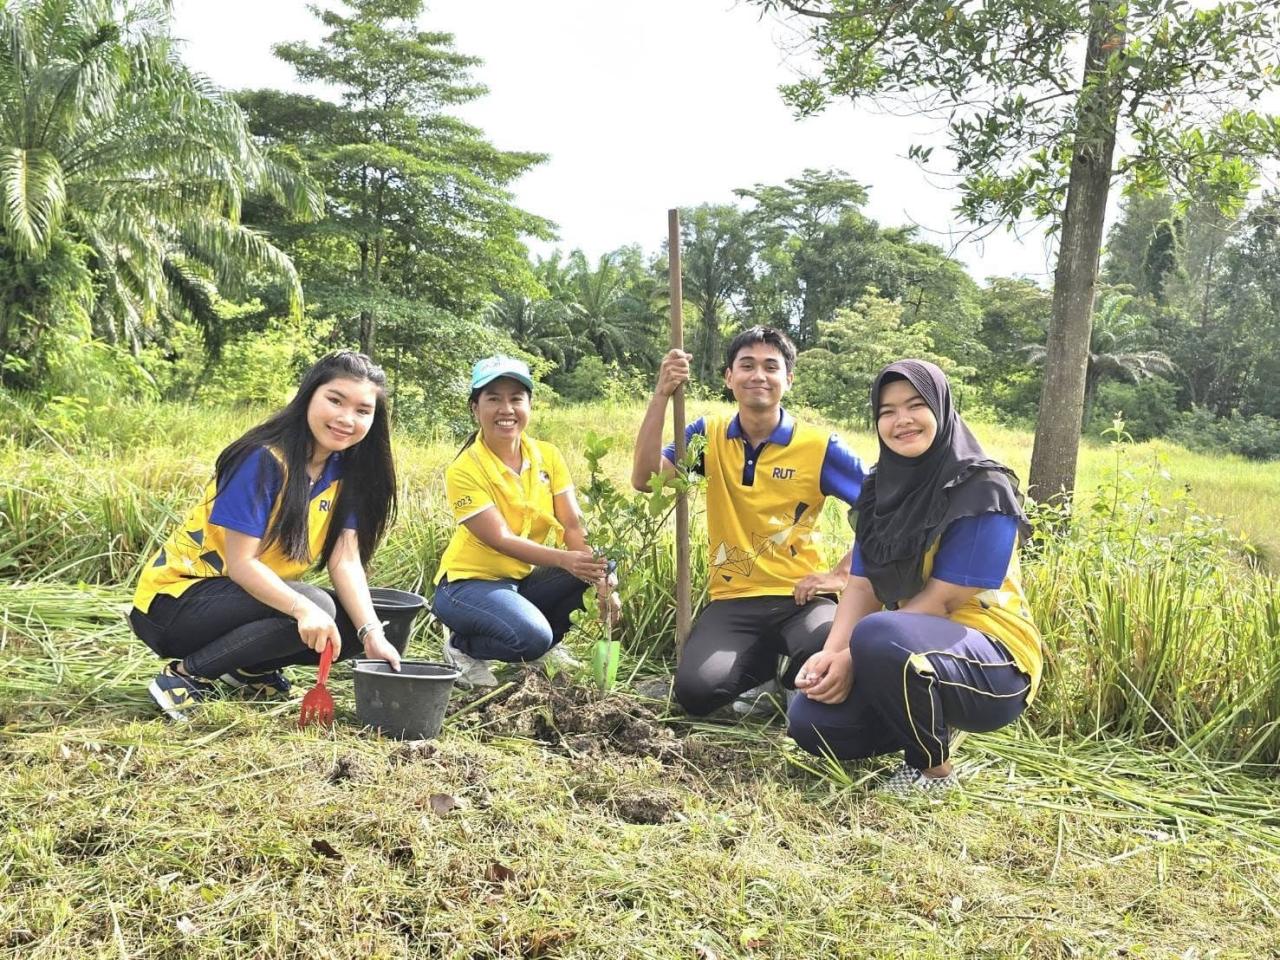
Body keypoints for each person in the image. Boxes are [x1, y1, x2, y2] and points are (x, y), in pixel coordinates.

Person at [788, 359, 1042, 793]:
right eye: (886, 411)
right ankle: (928, 721)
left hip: (993, 664)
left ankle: (933, 771)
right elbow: (863, 585)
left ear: (941, 408)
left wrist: (853, 654)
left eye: (915, 404)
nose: (901, 420)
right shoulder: (878, 491)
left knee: (877, 634)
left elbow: (943, 602)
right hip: (907, 651)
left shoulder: (983, 487)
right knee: (811, 722)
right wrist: (832, 655)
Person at [129, 350, 401, 721]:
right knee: (315, 606)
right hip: (174, 604)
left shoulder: (346, 472)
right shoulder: (263, 459)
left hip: (237, 603)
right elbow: (241, 565)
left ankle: (247, 668)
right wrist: (303, 608)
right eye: (335, 400)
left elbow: (345, 558)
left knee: (353, 630)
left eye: (362, 410)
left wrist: (372, 634)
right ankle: (185, 676)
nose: (345, 419)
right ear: (309, 395)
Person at [631, 326, 866, 716]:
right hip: (734, 598)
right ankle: (767, 678)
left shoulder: (820, 446)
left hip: (802, 599)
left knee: (828, 644)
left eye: (771, 366)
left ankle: (796, 681)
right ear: (729, 377)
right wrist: (661, 395)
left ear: (788, 379)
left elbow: (886, 508)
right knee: (696, 692)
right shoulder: (707, 436)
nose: (759, 375)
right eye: (747, 365)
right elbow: (645, 479)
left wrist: (841, 575)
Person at [431, 356, 620, 688]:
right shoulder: (465, 469)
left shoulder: (547, 455)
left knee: (601, 561)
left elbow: (573, 527)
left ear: (530, 405)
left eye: (516, 398)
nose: (507, 409)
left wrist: (602, 579)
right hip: (467, 586)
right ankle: (463, 647)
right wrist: (565, 559)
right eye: (494, 398)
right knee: (531, 636)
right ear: (475, 408)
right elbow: (500, 538)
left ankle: (547, 645)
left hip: (519, 583)